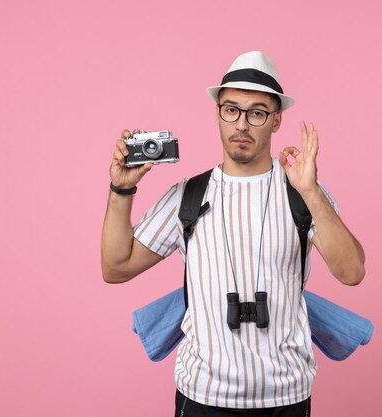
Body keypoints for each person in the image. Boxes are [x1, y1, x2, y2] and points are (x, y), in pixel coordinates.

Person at [101, 51, 365, 416]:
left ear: (275, 121)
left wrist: (310, 192)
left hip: (286, 397)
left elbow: (352, 272)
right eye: (231, 110)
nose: (241, 124)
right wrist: (121, 190)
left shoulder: (301, 192)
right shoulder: (187, 196)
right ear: (217, 114)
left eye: (256, 113)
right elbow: (116, 267)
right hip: (204, 397)